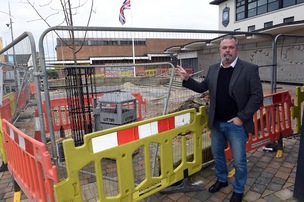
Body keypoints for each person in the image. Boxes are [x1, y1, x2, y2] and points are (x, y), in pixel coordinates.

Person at [175, 35, 263, 202]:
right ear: (220, 50)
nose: (227, 50)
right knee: (218, 155)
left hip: (236, 125)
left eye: (231, 47)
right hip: (216, 123)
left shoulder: (249, 69)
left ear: (236, 49)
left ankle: (238, 189)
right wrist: (187, 79)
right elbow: (202, 87)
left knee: (239, 161)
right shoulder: (214, 69)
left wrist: (241, 117)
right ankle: (222, 180)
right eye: (224, 48)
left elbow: (257, 97)